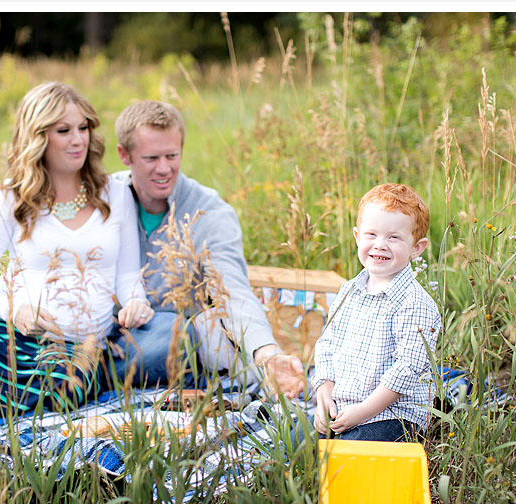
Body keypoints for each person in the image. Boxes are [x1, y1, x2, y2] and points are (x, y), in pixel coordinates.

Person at [0, 81, 152, 415]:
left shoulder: (115, 194)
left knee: (62, 394)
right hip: (13, 333)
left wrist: (136, 301)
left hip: (81, 346)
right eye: (63, 130)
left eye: (83, 127)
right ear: (38, 136)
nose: (78, 140)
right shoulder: (11, 199)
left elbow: (128, 272)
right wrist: (13, 309)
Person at [109, 100, 305, 398]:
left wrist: (266, 353)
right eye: (151, 158)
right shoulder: (104, 200)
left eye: (172, 156)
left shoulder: (209, 212)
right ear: (125, 155)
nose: (164, 168)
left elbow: (233, 291)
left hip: (168, 340)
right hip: (103, 331)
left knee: (178, 336)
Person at [310, 183, 442, 442]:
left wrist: (362, 412)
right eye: (372, 234)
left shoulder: (415, 303)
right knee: (296, 447)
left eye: (394, 237)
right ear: (357, 236)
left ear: (417, 247)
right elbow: (327, 344)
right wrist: (324, 395)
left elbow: (407, 369)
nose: (380, 245)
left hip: (391, 416)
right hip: (345, 406)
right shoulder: (349, 291)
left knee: (350, 457)